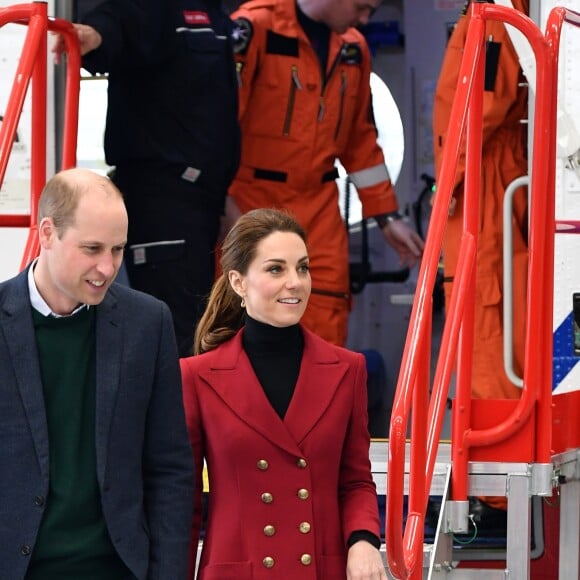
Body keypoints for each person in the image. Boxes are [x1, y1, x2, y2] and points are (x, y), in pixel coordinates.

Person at [0, 168, 194, 580]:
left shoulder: (148, 323)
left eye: (118, 249)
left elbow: (170, 467)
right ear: (47, 233)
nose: (107, 267)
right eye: (91, 249)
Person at [181, 208, 387, 579]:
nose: (295, 282)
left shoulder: (347, 369)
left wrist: (363, 540)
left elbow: (355, 480)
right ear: (238, 282)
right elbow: (184, 501)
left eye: (303, 268)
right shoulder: (197, 377)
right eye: (276, 269)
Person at [226, 0, 424, 347]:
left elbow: (360, 141)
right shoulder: (254, 28)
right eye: (363, 8)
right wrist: (224, 205)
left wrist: (386, 216)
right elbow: (219, 127)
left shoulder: (352, 49)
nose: (364, 19)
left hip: (319, 210)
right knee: (249, 321)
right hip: (253, 206)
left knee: (328, 316)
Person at [52, 0, 241, 357]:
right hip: (162, 199)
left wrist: (220, 200)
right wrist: (94, 34)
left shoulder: (213, 13)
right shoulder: (155, 7)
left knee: (198, 332)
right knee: (177, 339)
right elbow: (118, 21)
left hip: (203, 204)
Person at [432, 0, 529, 516]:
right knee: (484, 319)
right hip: (485, 172)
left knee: (486, 319)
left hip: (483, 180)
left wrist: (452, 175)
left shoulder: (494, 18)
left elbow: (481, 104)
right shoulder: (492, 15)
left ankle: (494, 486)